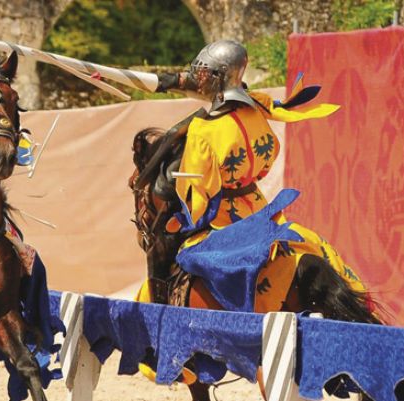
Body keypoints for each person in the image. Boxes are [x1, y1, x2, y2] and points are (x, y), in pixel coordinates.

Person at [150, 40, 366, 311]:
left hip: (221, 219)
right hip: (257, 206)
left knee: (180, 255)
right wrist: (171, 82)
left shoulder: (203, 131)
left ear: (218, 77)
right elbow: (269, 151)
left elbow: (197, 189)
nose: (198, 77)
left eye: (204, 72)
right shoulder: (256, 108)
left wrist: (186, 217)